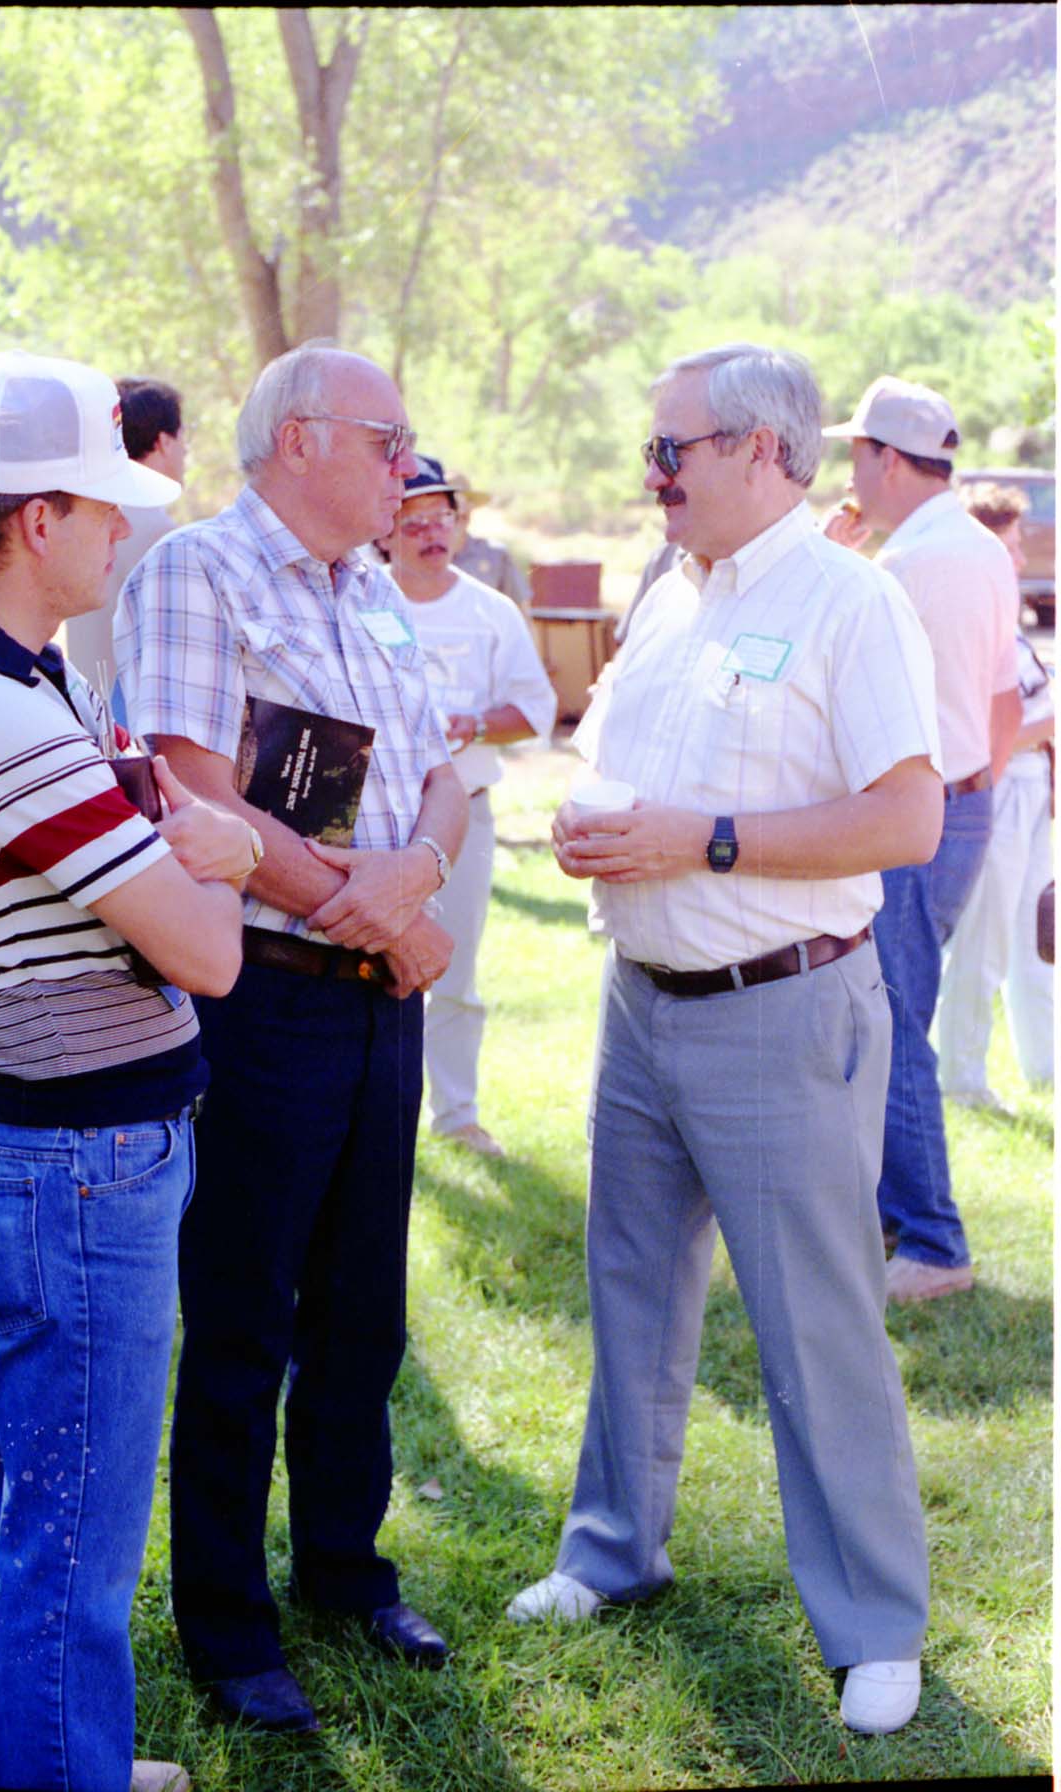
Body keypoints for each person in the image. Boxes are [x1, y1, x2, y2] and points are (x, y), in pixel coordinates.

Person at [506, 342, 943, 1739]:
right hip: (642, 1002)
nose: (652, 475)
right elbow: (616, 757)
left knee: (817, 1322)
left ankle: (875, 1622)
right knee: (631, 1290)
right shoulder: (669, 592)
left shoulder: (852, 602)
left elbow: (908, 819)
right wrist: (595, 819)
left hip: (784, 1007)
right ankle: (610, 1552)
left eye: (671, 449)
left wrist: (704, 840)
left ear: (764, 449)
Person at [0, 350, 257, 1792]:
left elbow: (145, 838)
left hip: (57, 1147)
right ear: (36, 521)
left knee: (39, 1490)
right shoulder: (2, 720)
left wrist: (181, 850)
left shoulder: (16, 676)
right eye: (102, 506)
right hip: (79, 1162)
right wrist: (225, 856)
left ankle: (45, 1757)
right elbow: (206, 951)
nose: (123, 527)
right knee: (76, 1530)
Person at [114, 344, 469, 1735]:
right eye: (391, 440)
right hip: (261, 997)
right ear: (302, 437)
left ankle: (344, 1571)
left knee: (362, 1310)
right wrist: (363, 911)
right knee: (245, 1314)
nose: (408, 467)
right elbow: (191, 792)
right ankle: (227, 1623)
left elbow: (443, 778)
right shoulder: (196, 574)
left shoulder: (373, 587)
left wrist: (413, 881)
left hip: (381, 994)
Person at [822, 377, 1021, 1301]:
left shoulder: (902, 566)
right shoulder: (976, 546)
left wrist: (831, 561)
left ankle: (936, 1243)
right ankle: (894, 1218)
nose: (849, 472)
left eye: (856, 454)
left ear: (888, 461)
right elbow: (999, 695)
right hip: (964, 800)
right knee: (896, 1015)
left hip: (918, 812)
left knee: (894, 1024)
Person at [376, 455, 557, 1156]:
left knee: (454, 969)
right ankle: (378, 1113)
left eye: (442, 519)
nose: (431, 535)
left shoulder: (491, 611)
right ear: (384, 530)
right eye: (414, 522)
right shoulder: (362, 598)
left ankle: (456, 1114)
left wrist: (474, 725)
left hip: (465, 815)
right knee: (369, 969)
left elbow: (535, 709)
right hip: (375, 820)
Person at [935, 482, 1054, 1106]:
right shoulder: (972, 625)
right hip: (998, 790)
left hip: (1033, 793)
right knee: (983, 941)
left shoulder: (1012, 626)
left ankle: (1046, 1066)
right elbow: (982, 736)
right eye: (1007, 547)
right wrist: (1050, 724)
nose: (1018, 559)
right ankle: (962, 1078)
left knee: (1037, 937)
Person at [65, 376, 187, 694]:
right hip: (131, 711)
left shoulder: (82, 520)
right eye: (183, 437)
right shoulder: (162, 535)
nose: (185, 450)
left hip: (85, 701)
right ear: (164, 442)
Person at [446, 469, 532, 609]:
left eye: (467, 502)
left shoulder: (495, 555)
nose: (461, 510)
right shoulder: (423, 558)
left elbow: (520, 611)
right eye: (452, 504)